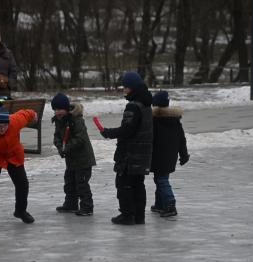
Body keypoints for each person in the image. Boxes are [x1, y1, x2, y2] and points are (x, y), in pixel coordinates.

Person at [99, 71, 153, 225]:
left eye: (126, 87)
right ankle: (139, 216)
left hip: (131, 153)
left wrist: (108, 133)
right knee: (138, 184)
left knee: (124, 184)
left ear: (133, 88)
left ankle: (127, 215)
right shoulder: (147, 105)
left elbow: (127, 130)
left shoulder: (133, 106)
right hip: (143, 153)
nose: (124, 90)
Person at [51, 93, 96, 216]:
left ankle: (87, 207)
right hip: (71, 159)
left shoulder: (76, 120)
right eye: (55, 110)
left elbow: (81, 139)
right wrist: (60, 147)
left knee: (81, 184)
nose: (57, 112)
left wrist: (67, 147)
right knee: (69, 182)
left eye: (60, 109)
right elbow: (57, 137)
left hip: (83, 158)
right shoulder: (59, 121)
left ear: (66, 109)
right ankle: (71, 204)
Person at [150, 91, 190, 217]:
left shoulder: (155, 120)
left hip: (158, 155)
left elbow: (150, 138)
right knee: (160, 178)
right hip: (170, 155)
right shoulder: (175, 120)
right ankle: (160, 204)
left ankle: (170, 204)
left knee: (161, 180)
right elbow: (181, 139)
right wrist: (184, 155)